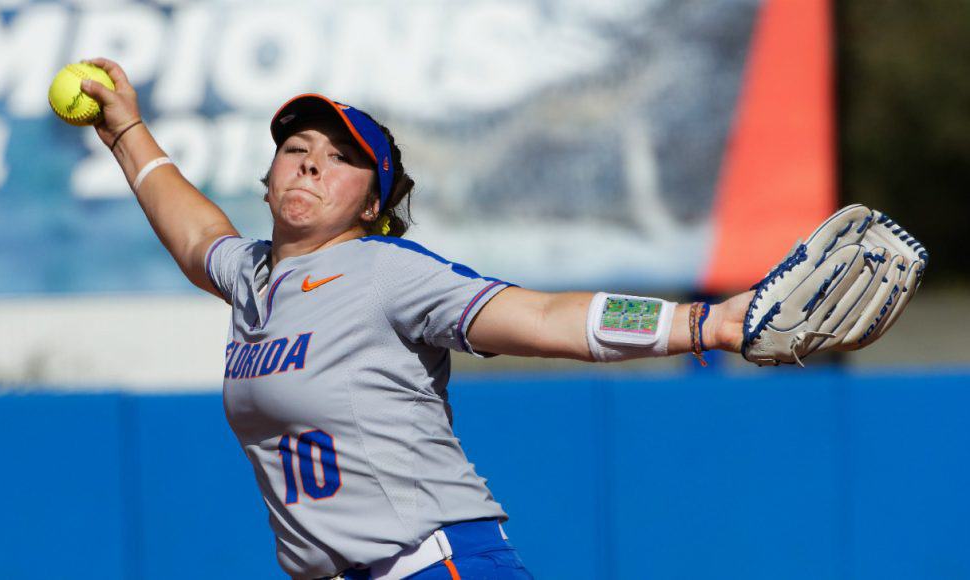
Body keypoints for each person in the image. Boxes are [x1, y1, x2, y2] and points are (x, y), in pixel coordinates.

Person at [81, 57, 754, 580]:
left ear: (371, 206)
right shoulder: (254, 277)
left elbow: (543, 315)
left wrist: (703, 325)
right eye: (296, 148)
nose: (312, 160)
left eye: (342, 159)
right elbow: (197, 236)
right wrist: (127, 134)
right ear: (269, 175)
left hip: (435, 562)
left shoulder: (384, 271)